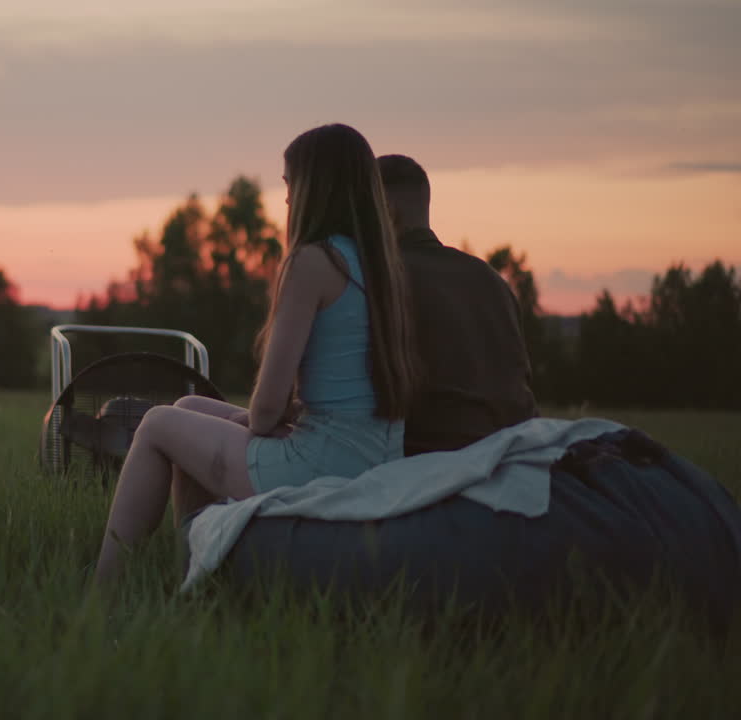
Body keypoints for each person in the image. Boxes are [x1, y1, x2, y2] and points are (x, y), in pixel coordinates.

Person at [94, 123, 416, 582]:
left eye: (289, 187)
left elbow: (266, 410)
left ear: (312, 189)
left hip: (322, 467)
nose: (285, 202)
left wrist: (260, 421)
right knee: (188, 409)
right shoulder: (383, 268)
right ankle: (197, 574)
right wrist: (264, 419)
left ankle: (100, 596)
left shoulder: (312, 263)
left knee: (158, 423)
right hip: (370, 458)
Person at [376, 154, 538, 455]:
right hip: (515, 448)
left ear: (386, 209)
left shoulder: (381, 280)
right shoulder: (490, 278)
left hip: (433, 457)